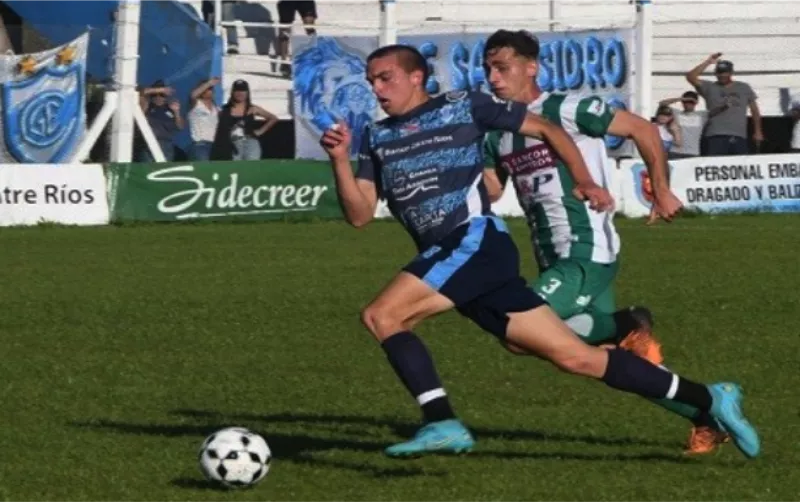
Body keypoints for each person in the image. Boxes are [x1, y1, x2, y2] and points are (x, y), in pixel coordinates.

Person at [320, 43, 760, 460]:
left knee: (383, 316)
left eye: (385, 78)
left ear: (416, 77)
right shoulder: (376, 135)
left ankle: (441, 420)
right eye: (371, 81)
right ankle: (709, 398)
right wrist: (340, 160)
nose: (376, 89)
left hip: (473, 242)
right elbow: (359, 214)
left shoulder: (463, 105)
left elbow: (547, 128)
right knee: (576, 357)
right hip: (457, 258)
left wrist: (583, 180)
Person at [479, 30, 733, 455]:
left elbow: (642, 129)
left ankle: (628, 323)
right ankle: (704, 416)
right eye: (488, 68)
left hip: (586, 249)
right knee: (601, 358)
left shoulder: (568, 109)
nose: (493, 77)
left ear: (531, 67)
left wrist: (661, 189)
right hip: (552, 256)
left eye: (502, 68)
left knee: (517, 332)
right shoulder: (496, 129)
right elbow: (490, 188)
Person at [686, 54, 763, 156]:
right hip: (715, 134)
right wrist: (708, 62)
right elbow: (690, 77)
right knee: (714, 163)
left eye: (725, 72)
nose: (722, 75)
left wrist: (758, 131)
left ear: (731, 72)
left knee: (738, 164)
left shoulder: (743, 87)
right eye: (719, 72)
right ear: (715, 73)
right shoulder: (709, 87)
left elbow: (754, 110)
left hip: (739, 135)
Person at [211, 79, 278, 160]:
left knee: (251, 165)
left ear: (247, 92)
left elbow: (273, 118)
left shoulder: (253, 108)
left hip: (250, 143)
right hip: (232, 145)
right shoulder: (224, 109)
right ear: (232, 92)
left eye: (243, 90)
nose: (240, 93)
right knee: (236, 166)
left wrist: (260, 131)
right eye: (237, 90)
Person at [138, 80, 183, 162]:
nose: (158, 97)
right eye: (154, 94)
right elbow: (139, 92)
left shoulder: (171, 108)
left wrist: (177, 112)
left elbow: (180, 127)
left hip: (167, 145)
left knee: (164, 169)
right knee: (147, 169)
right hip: (148, 143)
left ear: (166, 96)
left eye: (162, 94)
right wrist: (160, 90)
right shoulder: (146, 106)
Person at [658, 91, 708, 159]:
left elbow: (717, 110)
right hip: (675, 152)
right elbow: (662, 104)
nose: (688, 104)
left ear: (696, 103)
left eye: (691, 102)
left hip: (693, 153)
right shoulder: (676, 113)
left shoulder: (702, 115)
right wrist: (682, 99)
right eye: (685, 102)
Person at [188, 77, 221, 161]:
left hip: (216, 146)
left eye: (210, 88)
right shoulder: (196, 104)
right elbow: (193, 95)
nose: (206, 90)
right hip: (200, 146)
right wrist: (209, 83)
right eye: (204, 88)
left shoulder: (217, 109)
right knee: (205, 168)